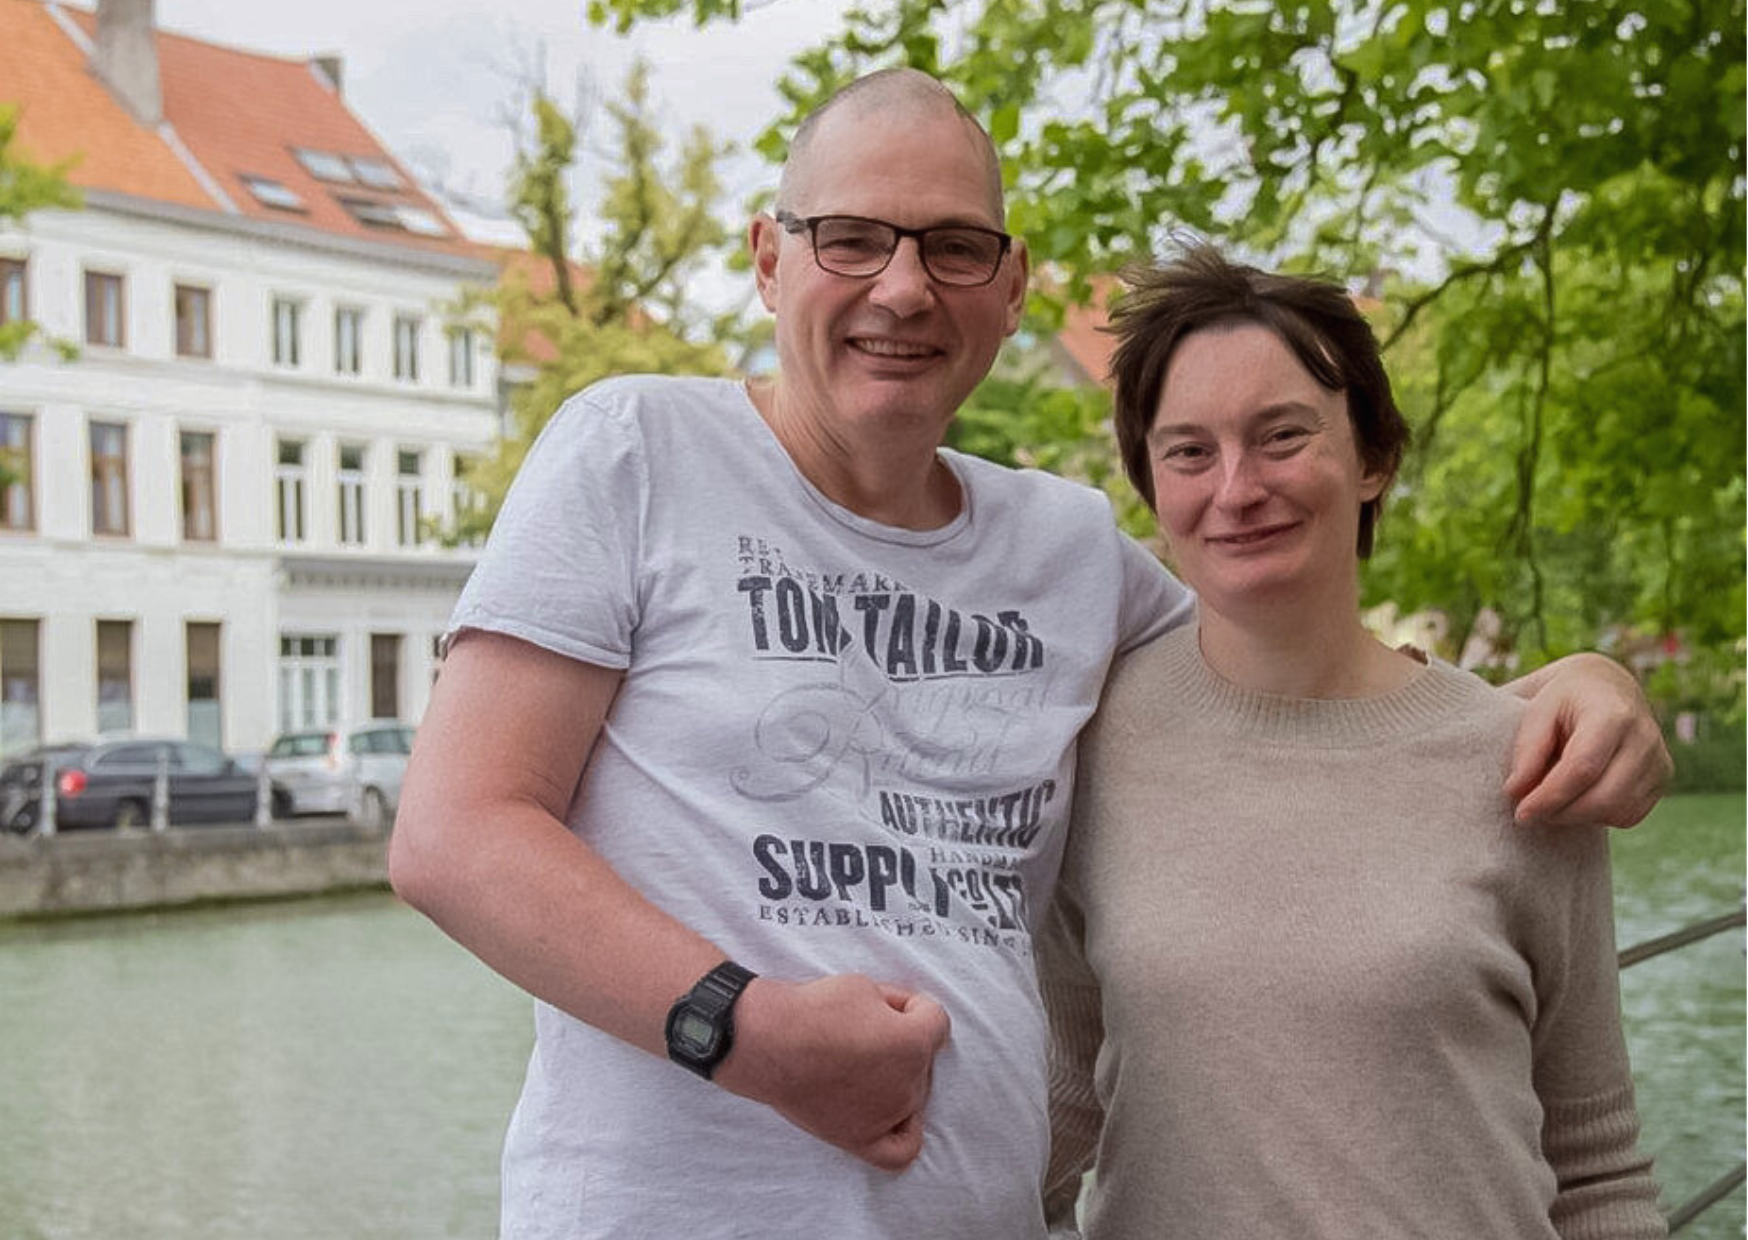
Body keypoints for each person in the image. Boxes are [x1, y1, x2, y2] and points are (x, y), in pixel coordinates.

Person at [388, 69, 1670, 1239]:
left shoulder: (1060, 550)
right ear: (770, 260)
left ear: (1007, 292)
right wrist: (748, 1029)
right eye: (852, 238)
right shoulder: (634, 450)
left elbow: (1301, 677)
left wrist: (1571, 688)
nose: (901, 287)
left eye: (953, 247)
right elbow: (454, 834)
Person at [1039, 247, 1666, 1238]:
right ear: (1150, 490)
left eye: (1280, 435)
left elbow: (1594, 1168)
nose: (1235, 488)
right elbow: (1052, 1105)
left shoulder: (1527, 761)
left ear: (1372, 456)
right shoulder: (1088, 743)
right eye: (1188, 451)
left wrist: (1600, 670)